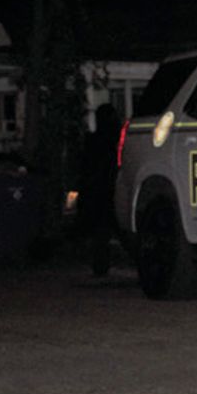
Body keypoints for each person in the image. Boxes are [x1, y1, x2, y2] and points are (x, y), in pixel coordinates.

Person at [78, 103, 122, 276]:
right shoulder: (113, 138)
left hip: (99, 188)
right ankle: (102, 264)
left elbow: (86, 166)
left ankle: (101, 265)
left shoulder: (95, 140)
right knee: (108, 228)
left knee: (101, 231)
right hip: (109, 186)